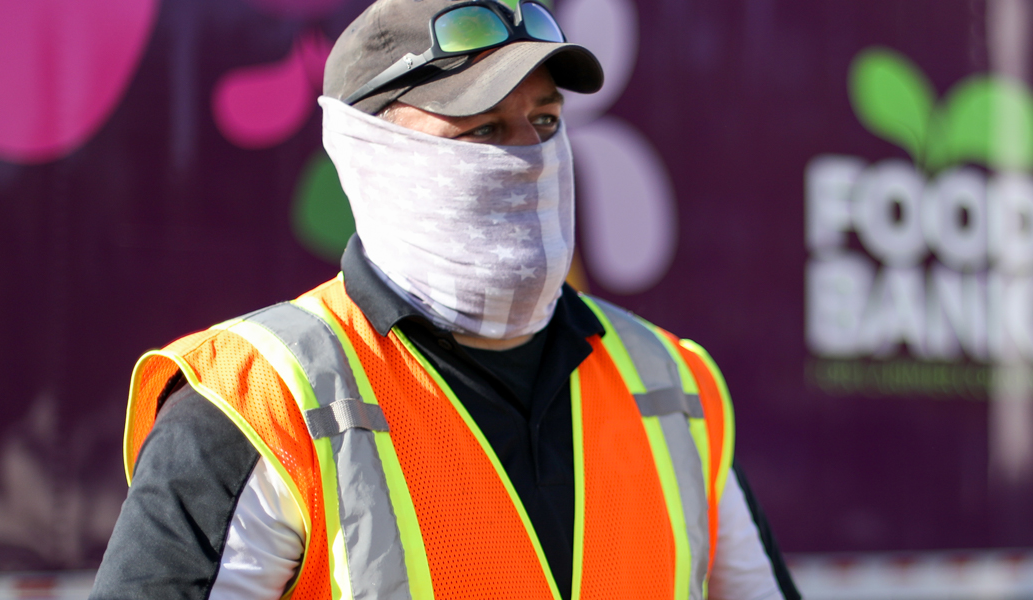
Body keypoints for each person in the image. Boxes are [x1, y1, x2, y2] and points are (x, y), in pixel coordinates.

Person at [89, 1, 798, 598]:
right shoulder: (260, 404)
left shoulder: (670, 385)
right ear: (371, 153)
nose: (527, 154)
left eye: (545, 123)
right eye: (484, 128)